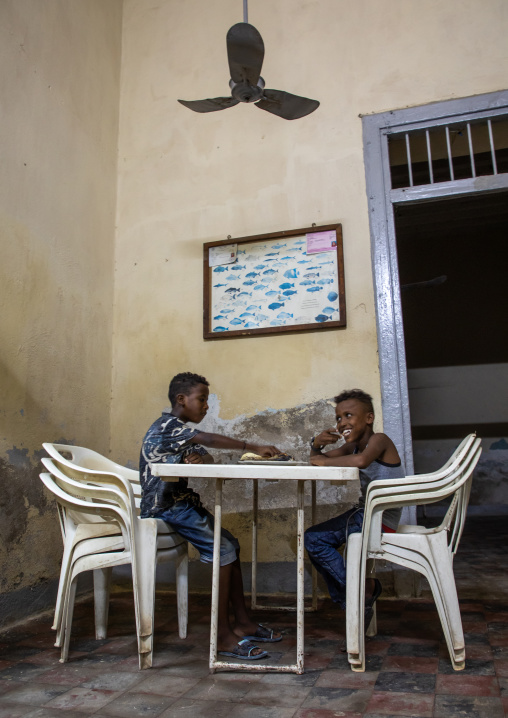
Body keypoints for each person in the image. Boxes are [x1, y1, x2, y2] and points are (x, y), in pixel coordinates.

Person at [139, 371, 282, 660]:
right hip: (165, 507)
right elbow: (208, 439)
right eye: (202, 399)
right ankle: (223, 636)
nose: (206, 406)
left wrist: (199, 457)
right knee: (224, 548)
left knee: (231, 543)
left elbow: (207, 454)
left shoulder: (180, 434)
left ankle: (242, 623)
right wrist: (251, 446)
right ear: (181, 399)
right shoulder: (167, 425)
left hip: (182, 504)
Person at [304, 388, 404, 626]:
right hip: (365, 514)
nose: (341, 423)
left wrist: (321, 460)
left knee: (315, 540)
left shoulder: (379, 440)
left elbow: (361, 461)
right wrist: (316, 446)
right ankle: (359, 597)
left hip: (378, 518)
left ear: (369, 418)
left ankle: (360, 595)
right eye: (338, 418)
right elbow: (318, 460)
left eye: (349, 416)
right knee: (313, 538)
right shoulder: (353, 446)